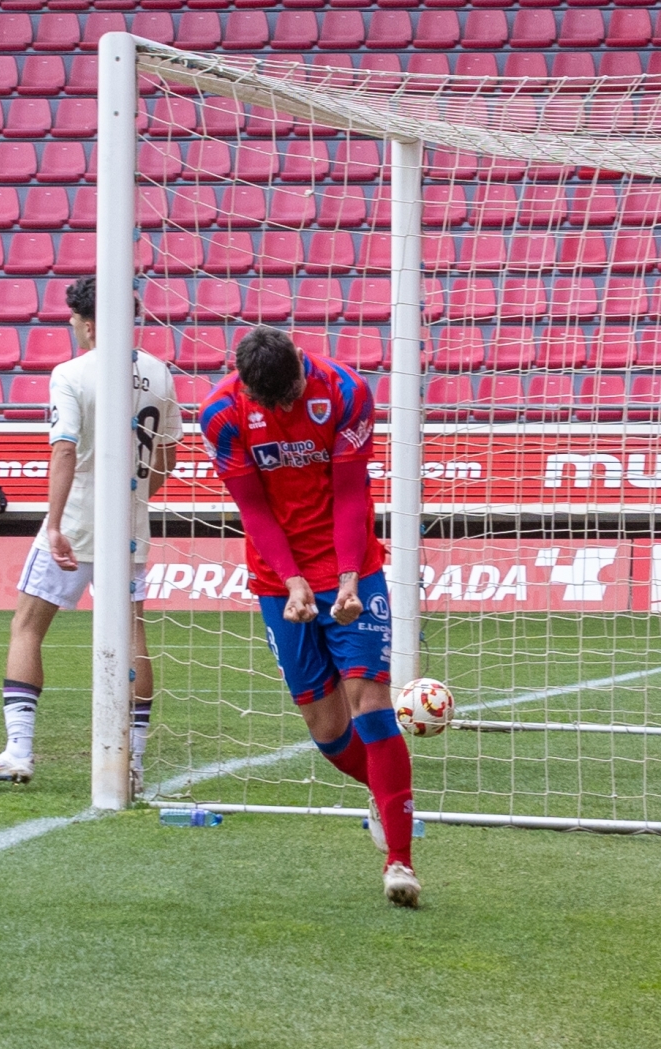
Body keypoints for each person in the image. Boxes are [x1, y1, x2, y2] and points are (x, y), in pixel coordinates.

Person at [199, 326, 420, 908]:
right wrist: (293, 581)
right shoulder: (220, 413)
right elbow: (253, 509)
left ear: (301, 361)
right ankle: (382, 789)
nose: (286, 408)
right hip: (279, 577)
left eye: (292, 395)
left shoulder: (346, 391)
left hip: (353, 567)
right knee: (326, 731)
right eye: (272, 404)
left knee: (369, 703)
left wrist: (347, 576)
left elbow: (351, 492)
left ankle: (401, 861)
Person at [0, 276, 182, 794]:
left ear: (89, 323)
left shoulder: (71, 372)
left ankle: (18, 750)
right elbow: (169, 454)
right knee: (133, 632)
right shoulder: (159, 373)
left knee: (27, 625)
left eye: (73, 320)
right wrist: (136, 496)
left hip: (82, 514)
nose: (70, 326)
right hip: (130, 519)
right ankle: (133, 762)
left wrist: (56, 523)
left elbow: (63, 450)